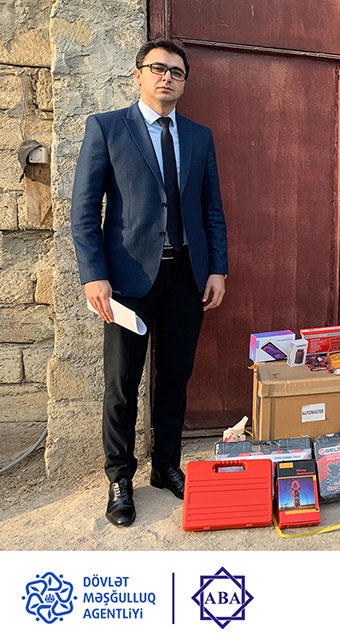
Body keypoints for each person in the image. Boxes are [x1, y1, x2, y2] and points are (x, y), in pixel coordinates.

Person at [71, 38, 228, 526]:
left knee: (175, 376)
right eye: (158, 68)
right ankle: (120, 477)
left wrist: (217, 268)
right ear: (138, 74)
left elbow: (212, 209)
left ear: (184, 82)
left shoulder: (199, 137)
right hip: (126, 281)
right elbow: (84, 211)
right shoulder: (106, 127)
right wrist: (94, 275)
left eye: (176, 72)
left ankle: (165, 466)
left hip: (186, 277)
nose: (167, 77)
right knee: (122, 383)